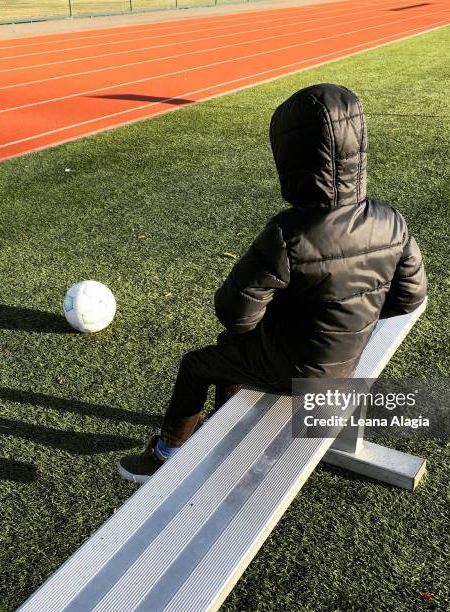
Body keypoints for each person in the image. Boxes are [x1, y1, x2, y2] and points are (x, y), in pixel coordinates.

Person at [117, 83, 427, 481]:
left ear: (293, 158)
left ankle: (165, 454)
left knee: (197, 365)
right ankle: (222, 422)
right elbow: (409, 297)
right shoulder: (391, 220)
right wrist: (352, 317)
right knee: (234, 351)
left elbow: (235, 312)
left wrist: (275, 327)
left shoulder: (288, 233)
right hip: (347, 360)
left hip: (294, 371)